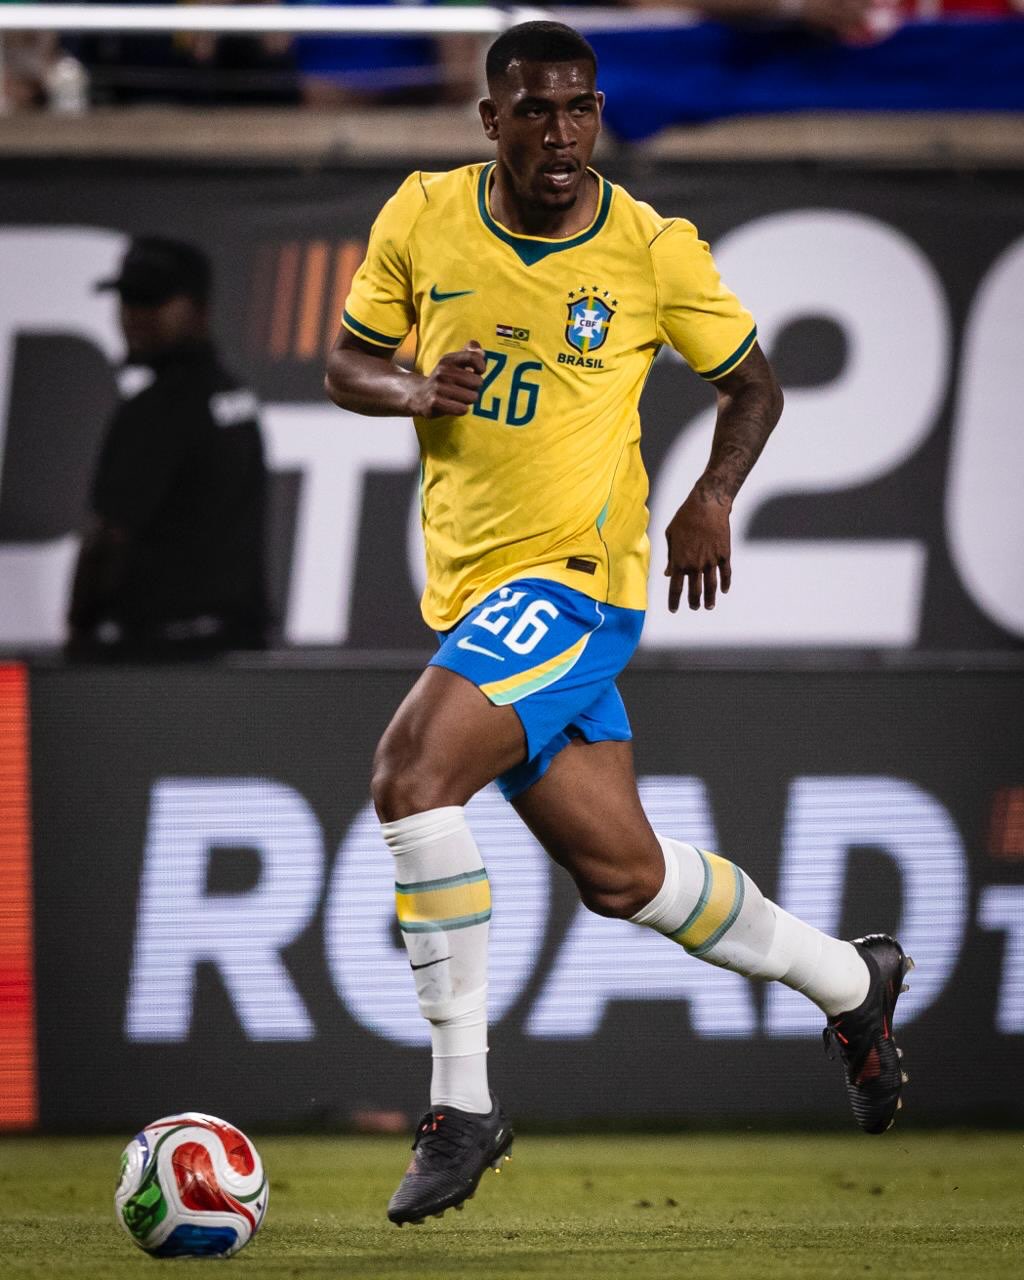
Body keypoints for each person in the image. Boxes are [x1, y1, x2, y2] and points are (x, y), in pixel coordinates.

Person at [325, 20, 912, 1227]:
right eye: (535, 110)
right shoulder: (422, 214)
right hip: (474, 589)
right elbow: (346, 361)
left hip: (577, 583)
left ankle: (461, 1105)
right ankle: (850, 979)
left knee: (410, 776)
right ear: (491, 120)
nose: (562, 133)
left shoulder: (649, 247)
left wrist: (711, 496)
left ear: (598, 113)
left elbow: (752, 385)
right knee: (625, 876)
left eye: (580, 108)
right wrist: (412, 387)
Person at [68, 237, 269, 658]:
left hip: (161, 655)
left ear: (198, 308)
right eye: (128, 300)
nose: (134, 316)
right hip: (237, 645)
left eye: (152, 300)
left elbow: (110, 535)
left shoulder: (158, 409)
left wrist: (78, 632)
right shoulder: (234, 398)